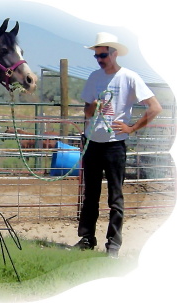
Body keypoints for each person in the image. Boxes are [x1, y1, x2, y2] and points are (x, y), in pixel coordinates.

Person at [74, 32, 162, 258]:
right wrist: (94, 105)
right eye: (96, 56)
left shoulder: (130, 78)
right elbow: (86, 112)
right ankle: (86, 238)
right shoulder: (94, 78)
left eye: (102, 55)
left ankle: (113, 244)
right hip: (93, 142)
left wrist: (132, 128)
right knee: (91, 194)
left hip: (115, 146)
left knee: (115, 196)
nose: (99, 60)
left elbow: (154, 107)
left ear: (114, 54)